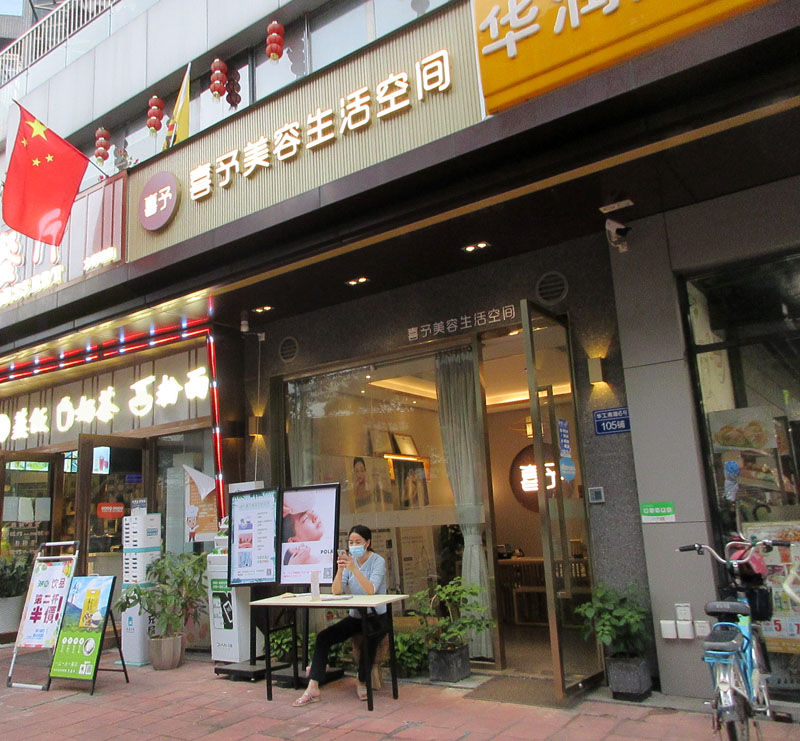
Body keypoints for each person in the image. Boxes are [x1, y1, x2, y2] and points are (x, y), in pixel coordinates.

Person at [293, 524, 387, 706]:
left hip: (376, 616)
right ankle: (313, 685)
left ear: (367, 543)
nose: (354, 545)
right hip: (356, 616)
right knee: (323, 637)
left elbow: (371, 589)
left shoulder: (378, 561)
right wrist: (341, 570)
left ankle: (362, 681)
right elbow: (336, 591)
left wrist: (354, 570)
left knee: (369, 638)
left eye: (358, 542)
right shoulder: (349, 562)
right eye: (351, 542)